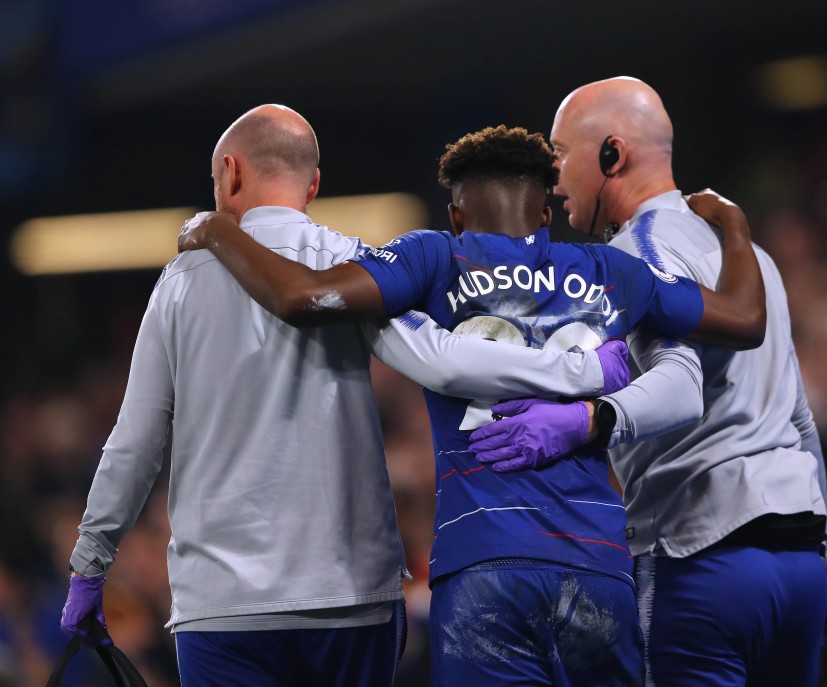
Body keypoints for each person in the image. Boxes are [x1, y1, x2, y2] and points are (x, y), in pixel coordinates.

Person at [58, 106, 641, 687]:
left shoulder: (179, 285)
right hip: (352, 595)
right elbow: (443, 360)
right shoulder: (354, 266)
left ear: (230, 174)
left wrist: (90, 566)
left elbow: (134, 440)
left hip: (222, 605)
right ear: (313, 185)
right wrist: (582, 368)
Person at [177, 123, 766, 686]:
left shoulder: (434, 257)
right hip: (598, 563)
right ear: (545, 212)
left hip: (482, 568)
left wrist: (217, 230)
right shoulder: (615, 271)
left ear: (455, 214)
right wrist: (735, 228)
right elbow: (744, 319)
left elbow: (302, 296)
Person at [470, 77, 827, 686]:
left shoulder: (635, 257)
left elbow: (680, 386)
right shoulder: (752, 257)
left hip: (703, 558)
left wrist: (587, 420)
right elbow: (798, 419)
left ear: (613, 154)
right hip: (796, 561)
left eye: (560, 158)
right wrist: (824, 564)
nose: (553, 180)